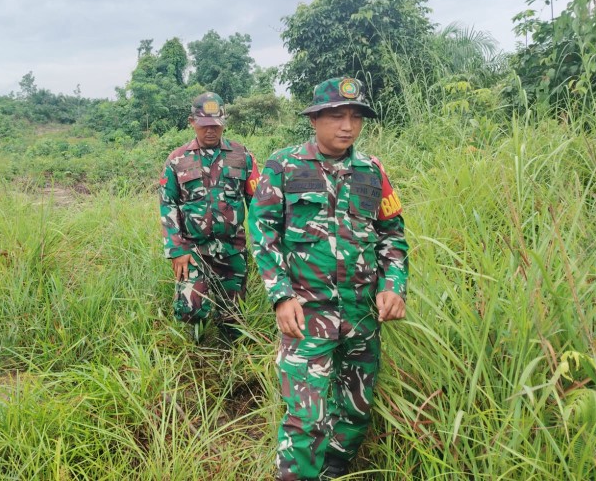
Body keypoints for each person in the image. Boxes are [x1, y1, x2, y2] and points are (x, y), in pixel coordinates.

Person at [249, 77, 409, 480]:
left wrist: (393, 286)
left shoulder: (372, 171)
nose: (347, 126)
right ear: (315, 119)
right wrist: (280, 295)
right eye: (337, 115)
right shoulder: (283, 165)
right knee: (306, 419)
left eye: (355, 116)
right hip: (307, 313)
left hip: (362, 315)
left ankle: (334, 469)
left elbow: (393, 235)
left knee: (355, 409)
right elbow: (262, 231)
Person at [159, 92, 260, 345]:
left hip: (232, 248)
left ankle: (229, 357)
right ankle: (196, 350)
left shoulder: (242, 156)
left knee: (233, 317)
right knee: (190, 311)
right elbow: (167, 203)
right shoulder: (177, 160)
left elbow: (257, 203)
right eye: (204, 125)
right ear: (192, 122)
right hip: (193, 250)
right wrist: (177, 248)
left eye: (216, 124)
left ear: (224, 122)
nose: (211, 131)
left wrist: (266, 244)